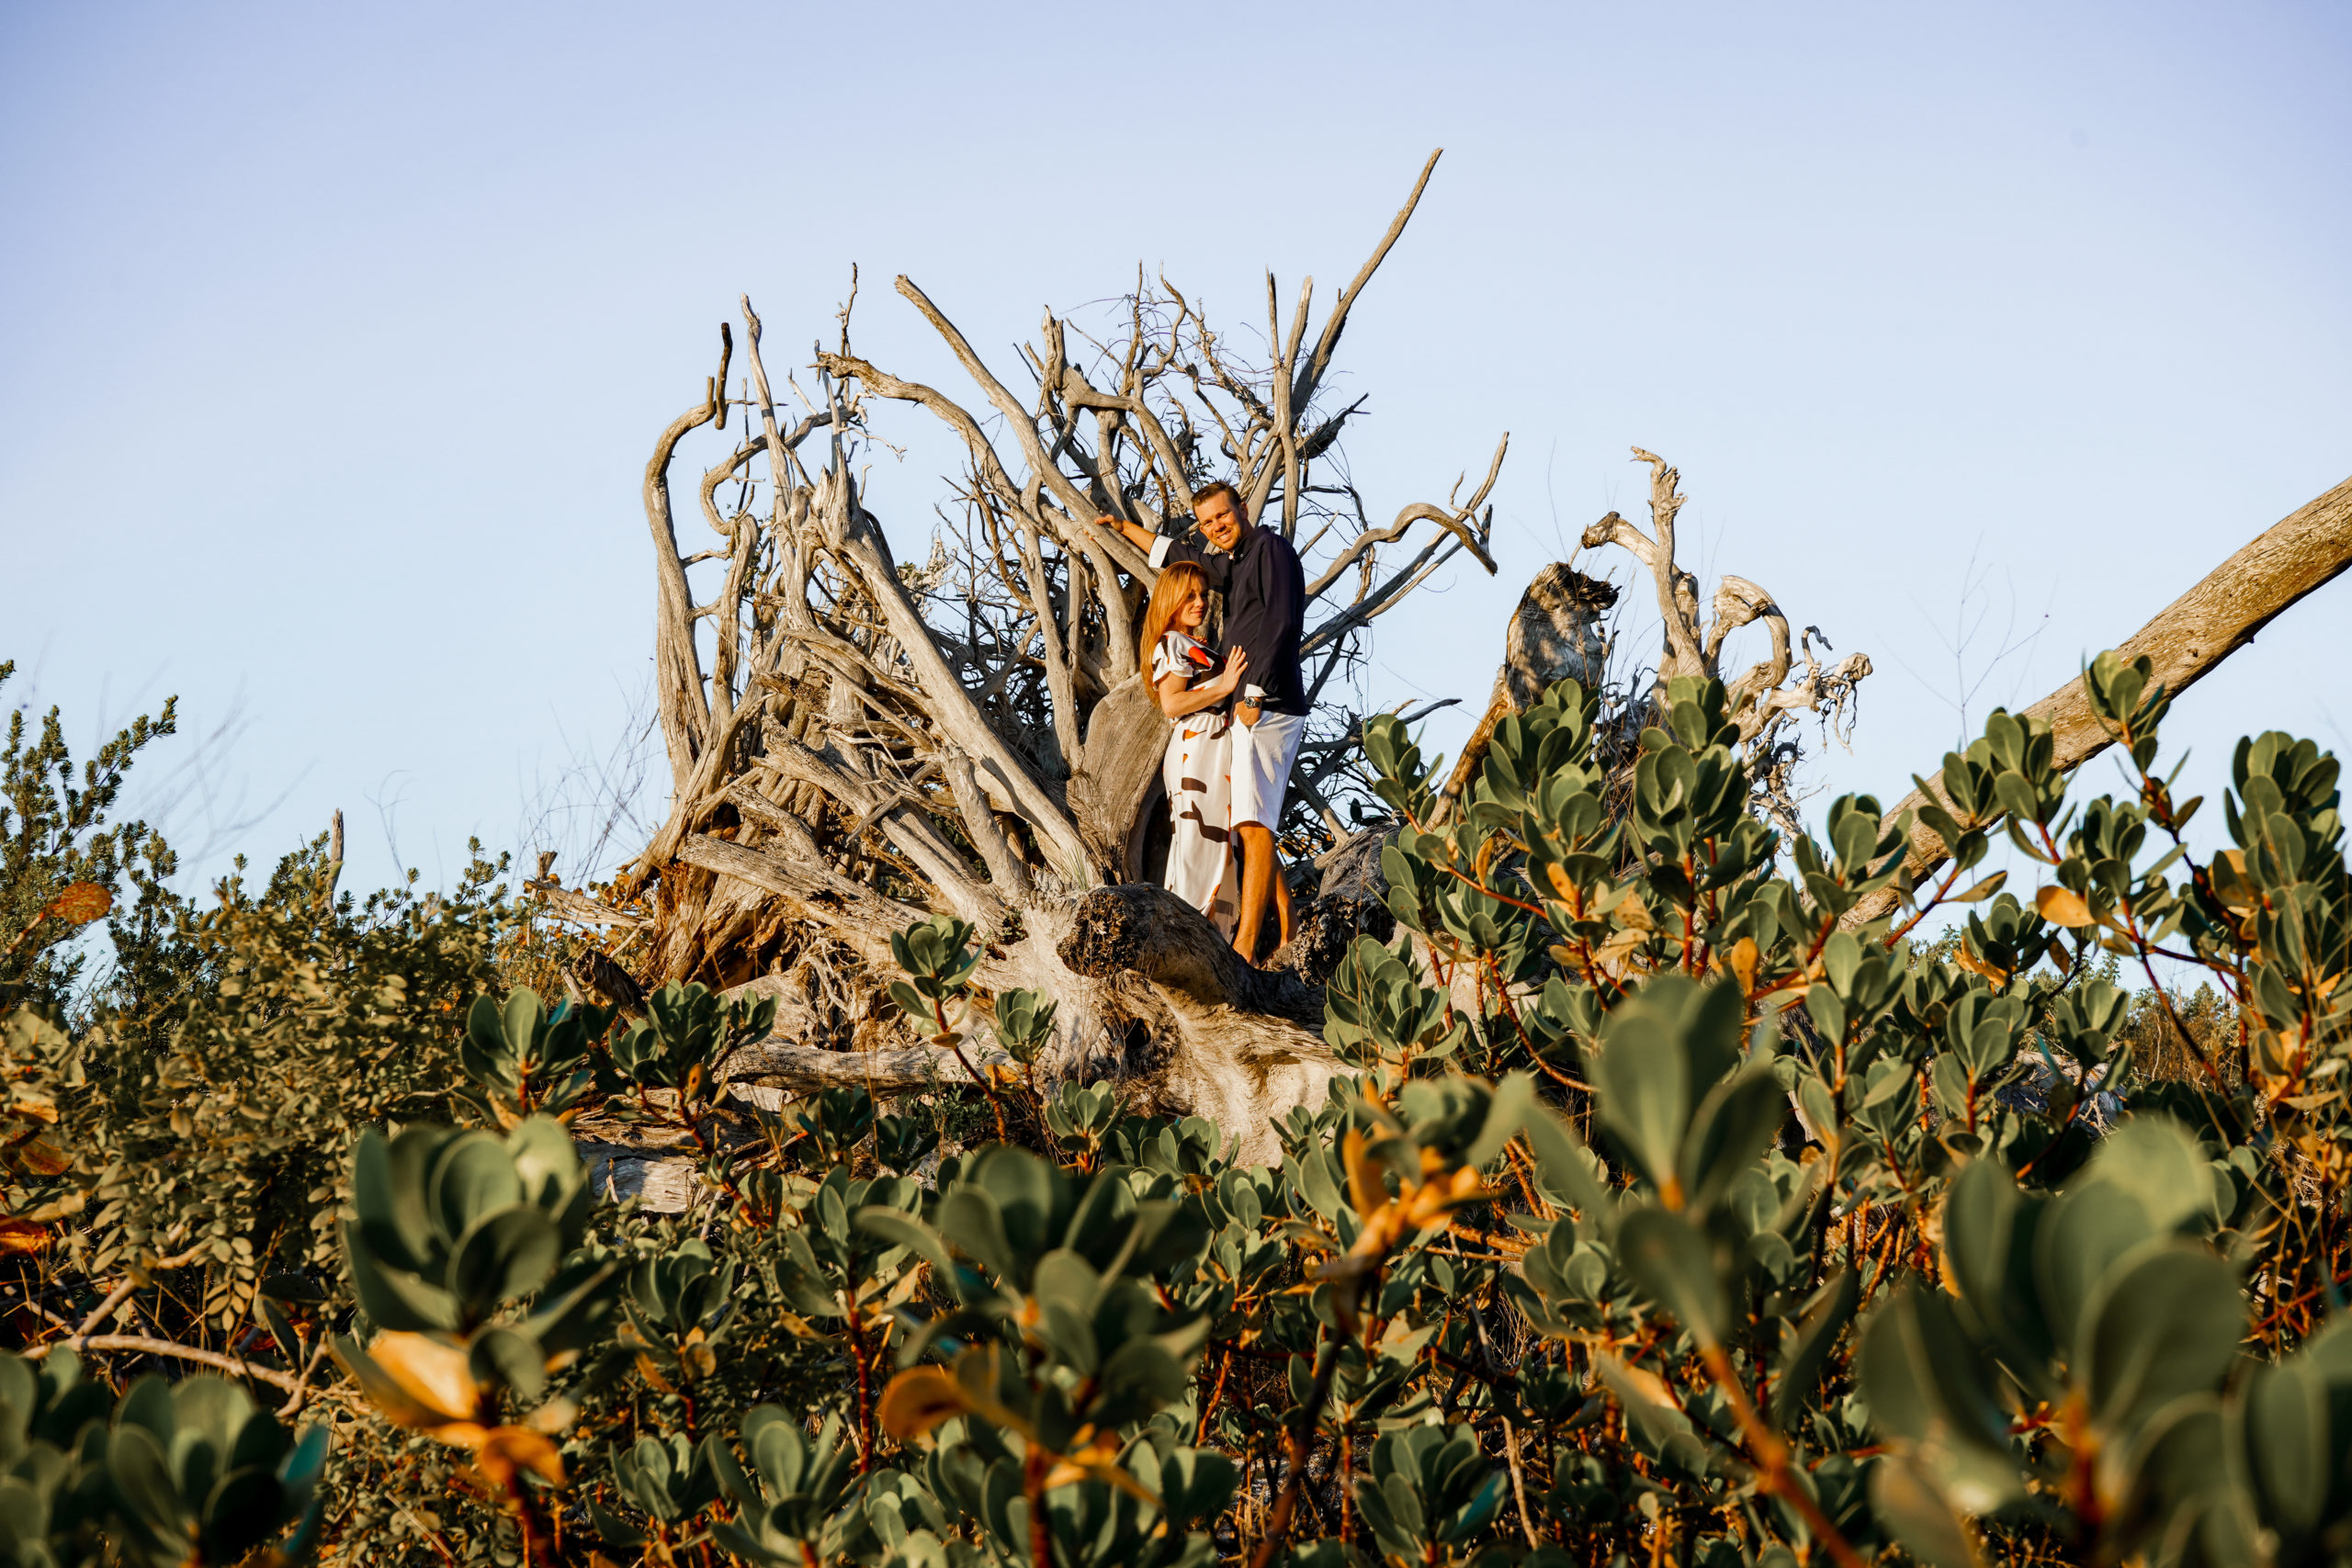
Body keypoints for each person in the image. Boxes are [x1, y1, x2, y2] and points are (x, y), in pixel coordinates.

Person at [1096, 480, 1306, 964]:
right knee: (1248, 818)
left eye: (1223, 516)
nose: (1217, 527)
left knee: (1252, 823)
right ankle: (1285, 923)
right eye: (1208, 522)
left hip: (1265, 703)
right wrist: (1126, 529)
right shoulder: (1231, 565)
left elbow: (1282, 623)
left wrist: (1252, 691)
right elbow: (1181, 556)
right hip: (1238, 713)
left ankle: (1245, 945)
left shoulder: (1270, 549)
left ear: (1243, 509)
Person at [1137, 560, 1249, 934]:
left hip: (1211, 747)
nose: (1199, 603)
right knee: (1198, 845)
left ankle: (1212, 938)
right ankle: (1183, 932)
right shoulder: (1172, 642)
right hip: (1196, 748)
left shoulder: (1192, 643)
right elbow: (1171, 704)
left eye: (1202, 594)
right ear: (1170, 599)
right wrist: (1225, 686)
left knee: (1219, 846)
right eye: (1189, 596)